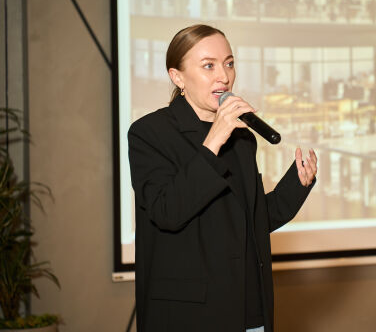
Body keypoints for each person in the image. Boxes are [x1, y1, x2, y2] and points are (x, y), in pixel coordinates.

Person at [128, 24, 317, 332]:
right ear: (177, 77)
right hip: (190, 315)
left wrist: (297, 184)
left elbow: (250, 221)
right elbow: (166, 212)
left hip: (248, 309)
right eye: (209, 66)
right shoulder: (150, 133)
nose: (224, 76)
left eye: (229, 63)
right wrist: (214, 140)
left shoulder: (242, 139)